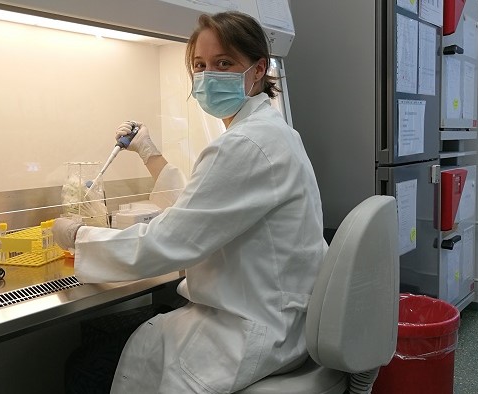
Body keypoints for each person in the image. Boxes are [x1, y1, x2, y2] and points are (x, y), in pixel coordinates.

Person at [53, 10, 327, 394]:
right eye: (199, 65)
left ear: (258, 70)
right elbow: (205, 210)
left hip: (249, 329)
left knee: (87, 368)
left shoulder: (246, 143)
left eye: (224, 63)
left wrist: (79, 235)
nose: (208, 76)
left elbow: (169, 241)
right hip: (274, 317)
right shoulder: (269, 133)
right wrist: (151, 155)